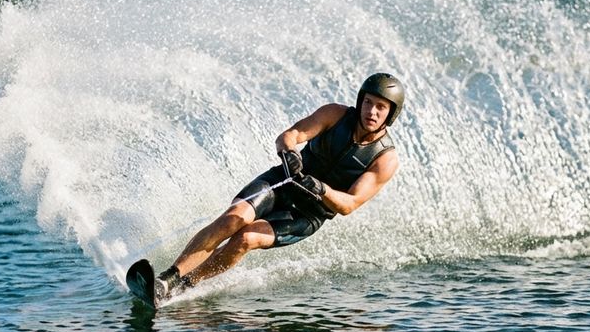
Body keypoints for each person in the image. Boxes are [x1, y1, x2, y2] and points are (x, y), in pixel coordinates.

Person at [153, 72, 405, 303]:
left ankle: (188, 283)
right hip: (281, 182)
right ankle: (167, 281)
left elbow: (350, 203)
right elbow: (290, 135)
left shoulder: (385, 159)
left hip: (308, 214)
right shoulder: (335, 114)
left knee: (246, 238)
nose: (371, 111)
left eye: (380, 107)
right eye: (368, 102)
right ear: (360, 101)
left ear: (390, 114)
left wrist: (321, 189)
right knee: (234, 219)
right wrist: (289, 153)